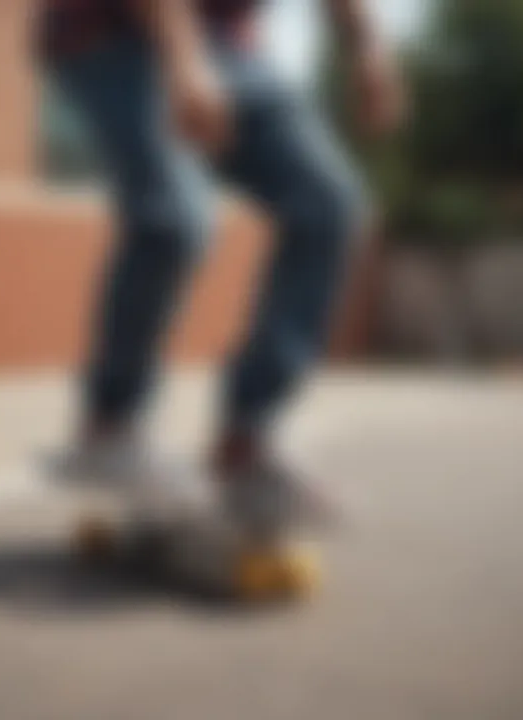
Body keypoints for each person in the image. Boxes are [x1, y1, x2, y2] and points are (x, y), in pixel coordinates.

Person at [39, 0, 405, 532]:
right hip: (111, 33)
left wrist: (370, 52)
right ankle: (109, 428)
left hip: (232, 50)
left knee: (329, 205)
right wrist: (184, 64)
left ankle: (247, 441)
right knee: (173, 219)